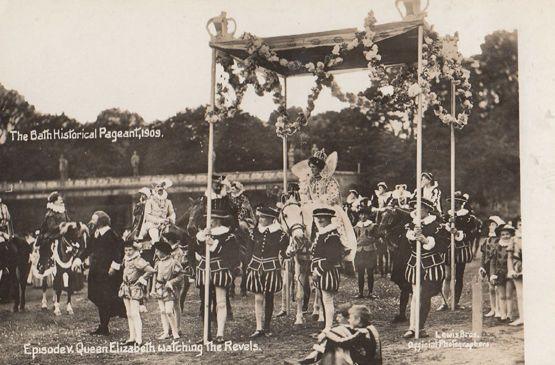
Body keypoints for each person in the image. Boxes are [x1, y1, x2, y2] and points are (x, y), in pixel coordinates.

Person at [291, 149, 357, 261]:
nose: (311, 169)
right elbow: (305, 194)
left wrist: (322, 200)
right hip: (312, 206)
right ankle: (298, 242)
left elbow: (334, 195)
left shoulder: (329, 180)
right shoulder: (309, 181)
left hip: (327, 206)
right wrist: (306, 200)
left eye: (314, 167)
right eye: (311, 167)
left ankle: (342, 245)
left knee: (336, 219)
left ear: (320, 168)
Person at [193, 200, 240, 344]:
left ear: (218, 219)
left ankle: (220, 334)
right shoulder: (203, 234)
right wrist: (202, 240)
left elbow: (232, 255)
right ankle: (206, 334)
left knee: (220, 302)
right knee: (205, 302)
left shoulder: (228, 235)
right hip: (204, 269)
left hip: (220, 270)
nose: (209, 221)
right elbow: (196, 250)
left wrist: (213, 244)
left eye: (211, 218)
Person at [402, 198, 449, 339]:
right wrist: (412, 237)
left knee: (424, 296)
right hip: (415, 263)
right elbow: (407, 245)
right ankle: (412, 327)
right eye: (415, 208)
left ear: (427, 209)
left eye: (420, 208)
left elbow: (443, 245)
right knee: (415, 295)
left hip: (431, 265)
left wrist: (426, 240)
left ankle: (420, 327)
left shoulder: (437, 225)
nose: (417, 211)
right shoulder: (412, 224)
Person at [72, 211, 125, 335]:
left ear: (101, 221)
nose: (91, 222)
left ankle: (105, 326)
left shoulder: (111, 234)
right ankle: (112, 315)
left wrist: (114, 267)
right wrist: (78, 259)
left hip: (107, 272)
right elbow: (88, 249)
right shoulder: (95, 234)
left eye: (94, 219)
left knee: (105, 298)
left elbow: (118, 251)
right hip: (96, 271)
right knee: (95, 296)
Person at [246, 206, 289, 338]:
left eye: (264, 217)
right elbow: (249, 250)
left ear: (271, 219)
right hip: (256, 267)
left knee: (269, 297)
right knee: (258, 297)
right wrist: (248, 264)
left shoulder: (280, 234)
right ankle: (258, 327)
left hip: (271, 268)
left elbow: (284, 251)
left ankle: (267, 326)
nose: (261, 219)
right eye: (260, 216)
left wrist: (287, 254)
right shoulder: (255, 232)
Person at [292, 305, 382, 365]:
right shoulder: (370, 328)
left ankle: (315, 358)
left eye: (350, 318)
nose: (349, 320)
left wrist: (328, 334)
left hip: (365, 362)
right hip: (372, 361)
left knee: (334, 341)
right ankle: (317, 358)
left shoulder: (362, 332)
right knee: (335, 339)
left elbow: (343, 342)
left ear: (358, 320)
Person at [438, 192, 482, 311]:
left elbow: (470, 233)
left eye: (457, 202)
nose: (455, 204)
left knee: (458, 276)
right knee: (447, 276)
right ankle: (445, 302)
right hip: (448, 247)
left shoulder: (468, 217)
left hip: (461, 247)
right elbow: (442, 232)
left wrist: (457, 231)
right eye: (453, 202)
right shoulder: (446, 216)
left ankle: (455, 302)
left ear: (462, 203)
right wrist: (447, 226)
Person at [311, 208, 345, 332]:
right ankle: (327, 326)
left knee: (327, 299)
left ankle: (328, 327)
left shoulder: (332, 235)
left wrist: (318, 271)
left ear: (329, 219)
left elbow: (332, 257)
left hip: (327, 271)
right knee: (324, 299)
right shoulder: (323, 233)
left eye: (323, 217)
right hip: (322, 270)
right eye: (318, 217)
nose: (320, 220)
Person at [35, 192, 70, 310]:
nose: (61, 200)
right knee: (46, 255)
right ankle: (43, 266)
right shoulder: (50, 214)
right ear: (54, 201)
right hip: (50, 237)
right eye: (59, 199)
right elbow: (51, 228)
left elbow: (68, 222)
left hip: (61, 236)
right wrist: (62, 226)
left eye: (61, 199)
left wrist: (70, 225)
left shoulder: (64, 211)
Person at [118, 240, 155, 346]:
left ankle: (139, 339)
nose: (128, 252)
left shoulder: (138, 260)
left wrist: (141, 279)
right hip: (126, 287)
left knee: (135, 313)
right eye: (126, 250)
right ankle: (131, 337)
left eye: (130, 250)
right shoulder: (125, 259)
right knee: (129, 314)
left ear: (135, 250)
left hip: (135, 288)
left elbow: (151, 270)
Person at [152, 238, 184, 339]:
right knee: (162, 311)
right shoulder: (158, 263)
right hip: (159, 288)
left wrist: (171, 282)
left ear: (163, 252)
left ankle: (175, 331)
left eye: (157, 250)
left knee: (169, 311)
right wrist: (152, 289)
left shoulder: (173, 262)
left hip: (170, 289)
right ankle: (166, 332)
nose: (156, 252)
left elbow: (181, 275)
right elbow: (154, 276)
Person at [489, 223, 516, 324]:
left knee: (509, 295)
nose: (505, 236)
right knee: (501, 295)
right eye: (503, 234)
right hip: (499, 273)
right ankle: (503, 314)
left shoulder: (513, 246)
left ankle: (510, 314)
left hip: (509, 272)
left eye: (507, 234)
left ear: (511, 235)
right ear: (500, 236)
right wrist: (492, 274)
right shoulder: (496, 247)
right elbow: (492, 262)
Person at [480, 215, 505, 318]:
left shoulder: (500, 240)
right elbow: (483, 254)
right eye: (490, 224)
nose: (490, 226)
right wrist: (482, 266)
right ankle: (493, 308)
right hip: (487, 265)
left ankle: (499, 309)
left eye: (493, 224)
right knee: (490, 288)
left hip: (496, 266)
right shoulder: (487, 240)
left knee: (497, 288)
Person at [140, 179, 176, 245]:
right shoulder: (150, 201)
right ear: (155, 189)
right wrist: (160, 220)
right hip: (152, 225)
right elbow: (147, 216)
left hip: (165, 225)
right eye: (157, 186)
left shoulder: (168, 202)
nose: (160, 188)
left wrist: (170, 219)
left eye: (161, 186)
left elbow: (172, 213)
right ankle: (156, 252)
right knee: (155, 236)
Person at [353, 207, 378, 299]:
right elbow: (353, 239)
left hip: (369, 251)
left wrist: (368, 239)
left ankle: (370, 292)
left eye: (365, 214)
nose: (363, 216)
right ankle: (360, 293)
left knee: (370, 273)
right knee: (360, 273)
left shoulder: (373, 226)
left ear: (368, 215)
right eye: (361, 214)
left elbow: (376, 237)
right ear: (359, 215)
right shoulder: (355, 227)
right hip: (359, 251)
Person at [507, 218, 523, 326]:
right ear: (517, 226)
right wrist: (511, 270)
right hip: (517, 267)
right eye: (520, 224)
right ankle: (522, 317)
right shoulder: (514, 239)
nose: (522, 226)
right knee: (520, 294)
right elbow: (509, 257)